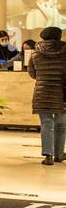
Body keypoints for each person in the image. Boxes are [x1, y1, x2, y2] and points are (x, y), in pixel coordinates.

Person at [28, 27, 66, 165]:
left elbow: (32, 73)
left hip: (42, 92)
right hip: (61, 92)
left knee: (46, 123)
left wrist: (44, 78)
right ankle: (59, 154)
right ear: (59, 37)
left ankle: (48, 156)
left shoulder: (35, 53)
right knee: (61, 124)